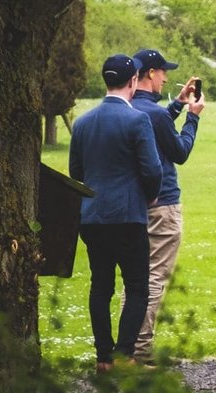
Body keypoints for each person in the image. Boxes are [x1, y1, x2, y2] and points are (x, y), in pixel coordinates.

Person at [69, 54, 162, 372]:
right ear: (134, 81)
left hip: (93, 215)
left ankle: (103, 358)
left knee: (101, 286)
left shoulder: (82, 122)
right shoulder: (137, 120)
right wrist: (149, 197)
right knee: (137, 286)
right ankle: (125, 355)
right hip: (127, 214)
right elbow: (152, 170)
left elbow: (76, 170)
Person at [128, 47, 204, 361]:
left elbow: (154, 122)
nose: (166, 78)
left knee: (135, 278)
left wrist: (176, 104)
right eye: (162, 72)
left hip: (134, 205)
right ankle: (141, 350)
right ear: (149, 73)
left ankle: (127, 346)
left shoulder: (128, 107)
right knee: (155, 277)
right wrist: (192, 118)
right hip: (164, 204)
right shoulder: (155, 114)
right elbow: (180, 152)